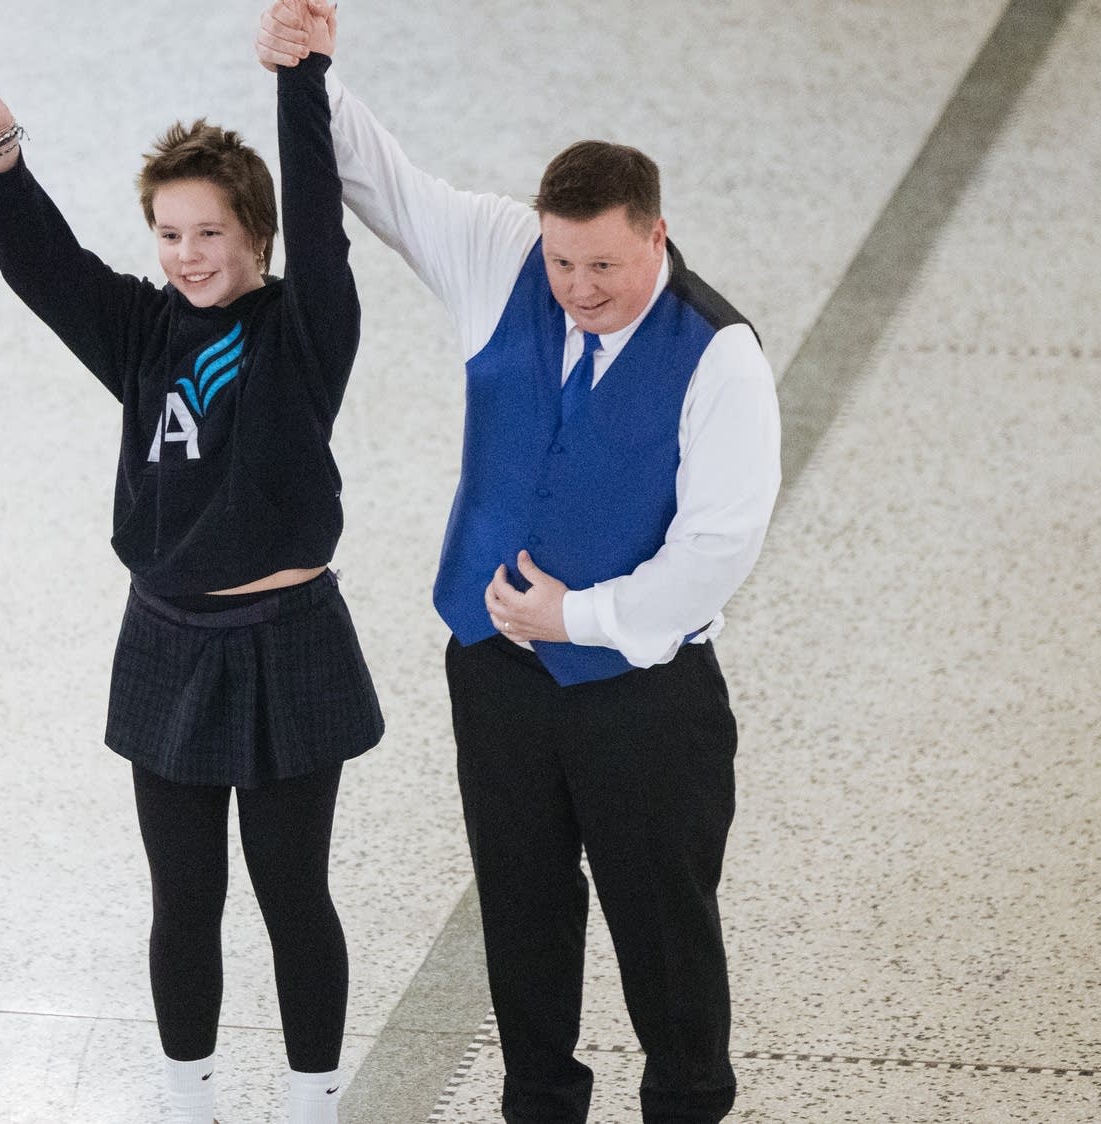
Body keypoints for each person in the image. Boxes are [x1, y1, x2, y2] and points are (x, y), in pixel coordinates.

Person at [261, 5, 782, 1121]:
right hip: (494, 680)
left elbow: (717, 545)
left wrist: (579, 616)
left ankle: (687, 1100)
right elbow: (384, 184)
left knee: (663, 929)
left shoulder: (718, 356)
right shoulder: (506, 257)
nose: (576, 286)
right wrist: (311, 71)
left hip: (643, 698)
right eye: (561, 259)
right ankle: (538, 1102)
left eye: (601, 262)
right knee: (520, 914)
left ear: (654, 234)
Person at [0, 5, 378, 1120]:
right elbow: (44, 268)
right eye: (169, 233)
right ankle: (186, 1092)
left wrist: (300, 77)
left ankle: (310, 1095)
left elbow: (323, 224)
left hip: (287, 641)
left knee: (292, 892)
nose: (188, 255)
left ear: (256, 239)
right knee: (182, 896)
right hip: (168, 639)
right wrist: (0, 153)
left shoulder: (303, 327)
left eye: (210, 233)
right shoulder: (142, 333)